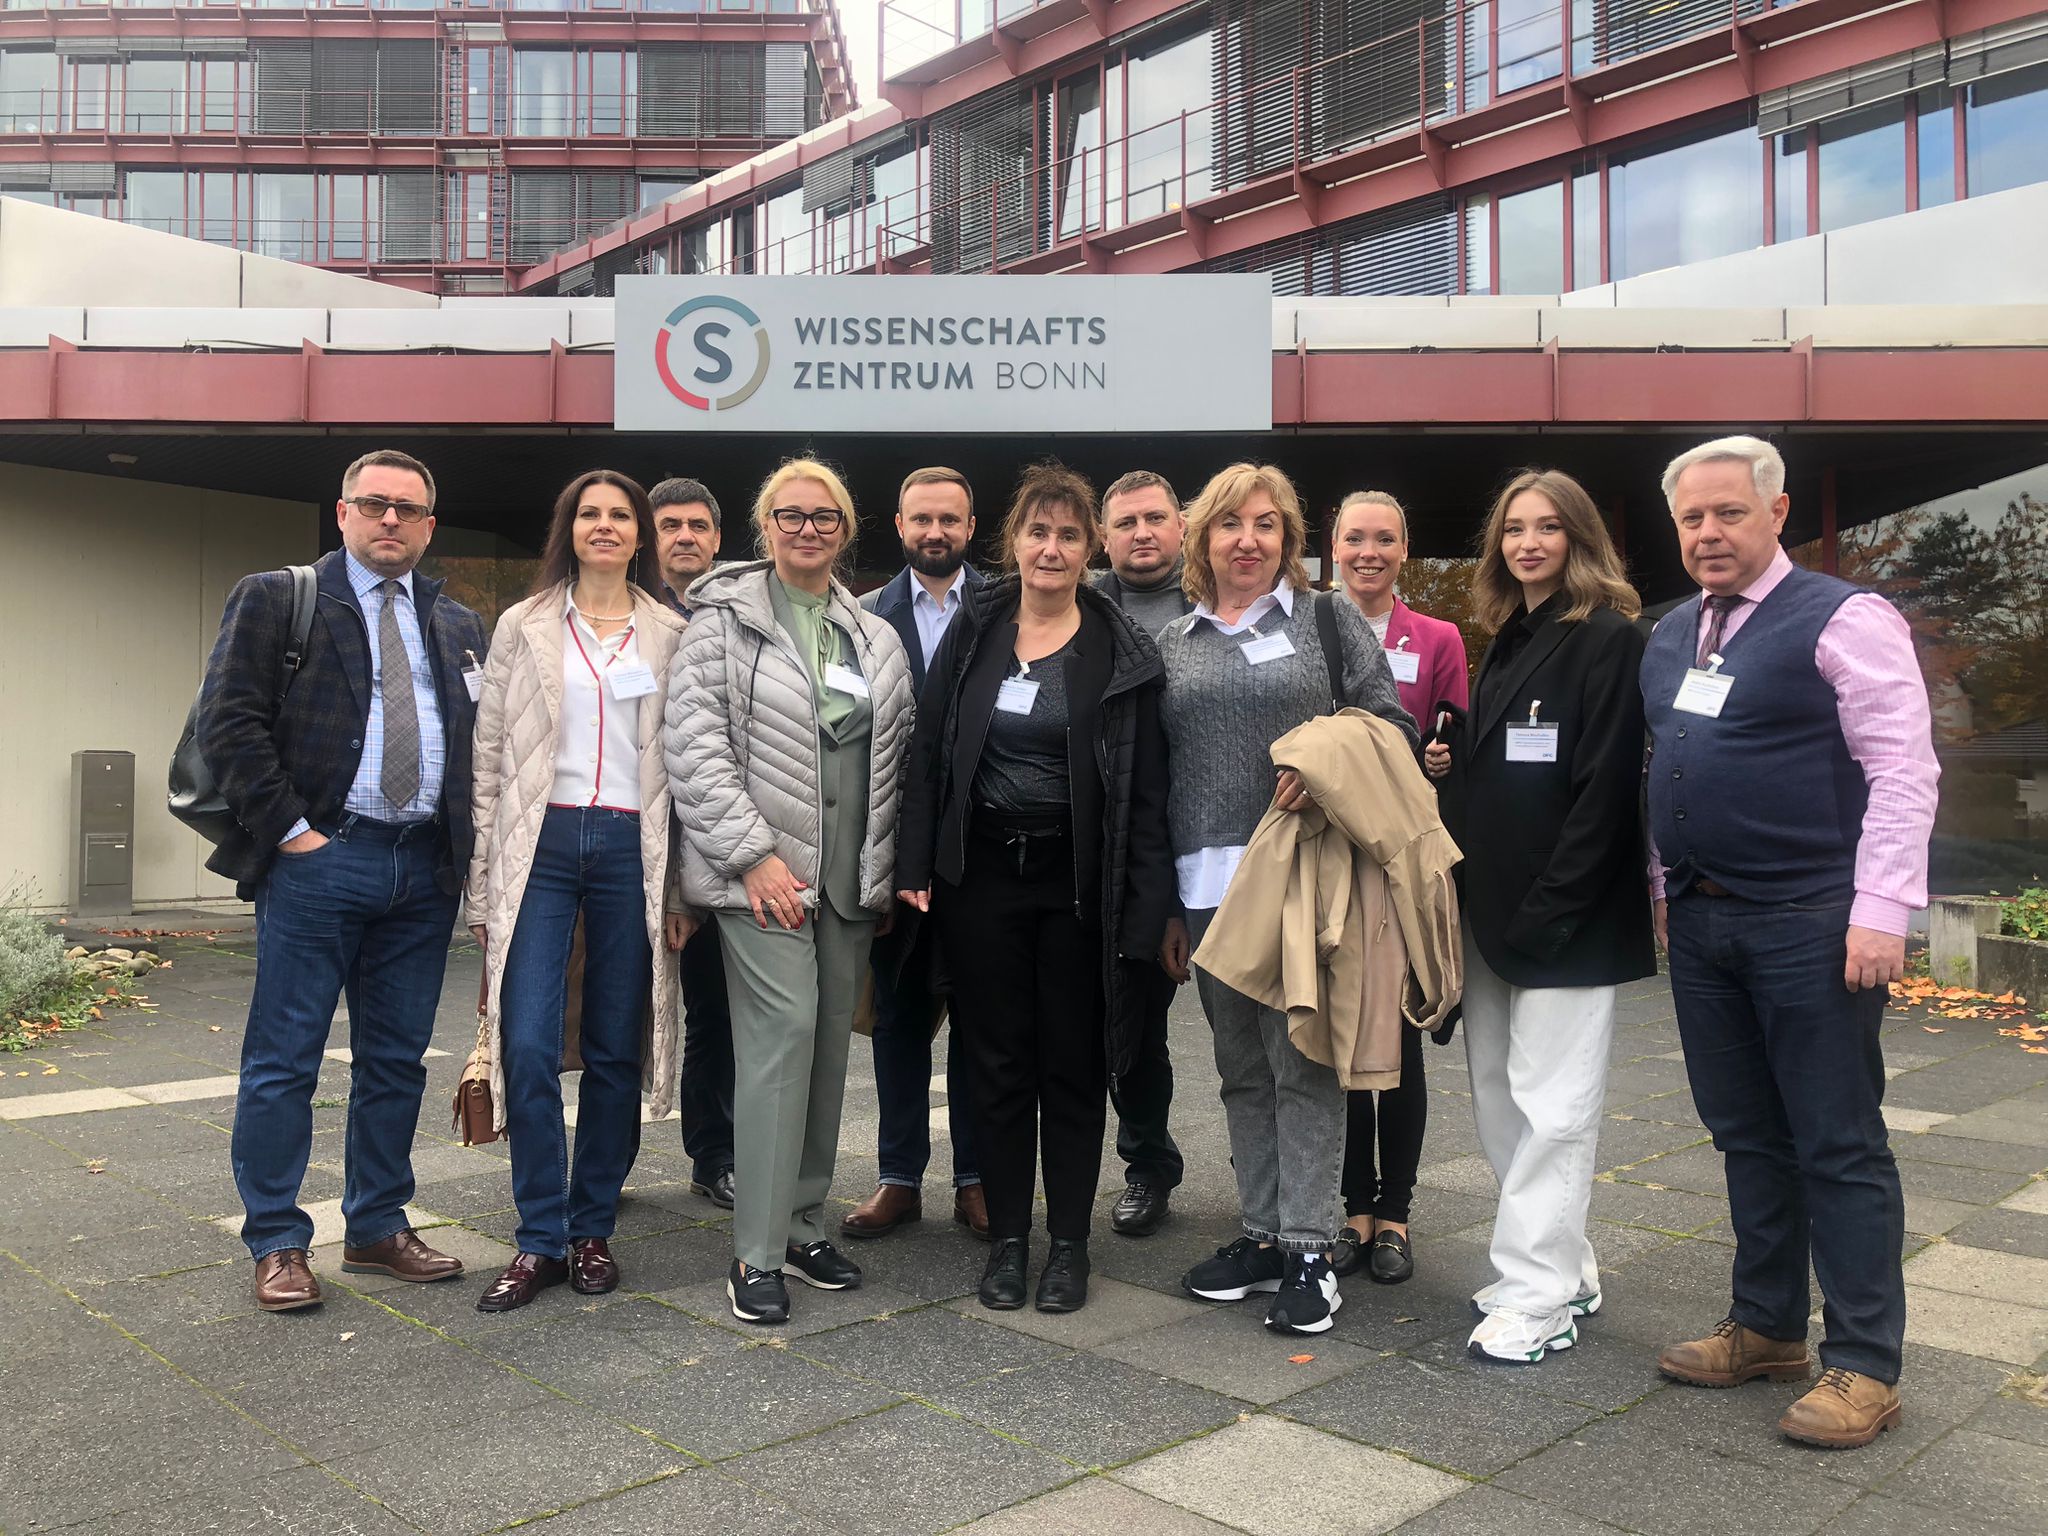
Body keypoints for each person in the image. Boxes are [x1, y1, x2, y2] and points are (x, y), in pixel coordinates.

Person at [1646, 437, 1937, 1450]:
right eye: (1690, 517)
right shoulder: (1670, 633)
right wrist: (1661, 889)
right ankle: (1768, 1325)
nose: (1707, 532)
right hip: (1703, 919)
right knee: (1743, 1134)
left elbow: (1900, 765)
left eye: (1727, 512)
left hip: (1810, 920)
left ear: (1773, 515)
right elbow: (1672, 769)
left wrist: (1881, 907)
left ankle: (1863, 1363)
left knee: (1837, 1142)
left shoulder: (1842, 616)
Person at [196, 449, 485, 1311]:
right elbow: (230, 722)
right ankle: (279, 1240)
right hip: (323, 858)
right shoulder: (278, 597)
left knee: (397, 1060)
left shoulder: (459, 623)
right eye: (375, 504)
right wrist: (293, 834)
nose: (390, 519)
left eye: (408, 509)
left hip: (421, 867)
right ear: (344, 512)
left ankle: (377, 1225)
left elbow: (476, 750)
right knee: (284, 1061)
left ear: (430, 526)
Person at [895, 464, 1175, 1314]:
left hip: (1079, 887)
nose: (1050, 549)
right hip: (981, 884)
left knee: (1074, 1065)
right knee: (997, 1064)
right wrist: (913, 868)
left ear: (1089, 549)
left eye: (1068, 536)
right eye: (1036, 533)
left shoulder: (1119, 647)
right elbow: (929, 755)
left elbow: (1147, 789)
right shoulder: (975, 633)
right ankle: (1011, 1239)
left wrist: (1153, 906)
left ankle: (1070, 1247)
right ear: (1011, 542)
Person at [1158, 462, 1416, 1336]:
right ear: (1203, 539)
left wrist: (1325, 764)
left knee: (1303, 1063)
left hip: (1306, 880)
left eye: (1266, 525)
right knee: (1240, 1072)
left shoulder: (1327, 620)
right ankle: (1263, 1234)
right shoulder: (1174, 642)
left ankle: (1312, 1248)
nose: (1248, 540)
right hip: (1206, 888)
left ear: (1289, 540)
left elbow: (1391, 726)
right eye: (1230, 524)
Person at [666, 459, 916, 1325]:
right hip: (763, 879)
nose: (808, 529)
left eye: (825, 517)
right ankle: (756, 1252)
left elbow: (892, 760)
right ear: (764, 525)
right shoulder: (721, 623)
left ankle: (806, 1222)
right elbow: (694, 750)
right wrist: (750, 857)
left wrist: (883, 874)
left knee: (828, 1054)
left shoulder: (873, 634)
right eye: (791, 515)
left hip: (848, 883)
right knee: (783, 1039)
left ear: (846, 532)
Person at [1428, 468, 1653, 1363]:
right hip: (1492, 913)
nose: (1527, 543)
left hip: (1565, 919)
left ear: (1580, 538)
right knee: (1498, 1105)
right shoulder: (1511, 639)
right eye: (1514, 529)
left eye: (1548, 528)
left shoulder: (1609, 640)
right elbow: (1513, 770)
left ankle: (1538, 1295)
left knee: (1554, 1109)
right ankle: (1569, 1266)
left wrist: (1553, 910)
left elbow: (1603, 793)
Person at [466, 471, 688, 1313]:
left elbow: (688, 762)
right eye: (589, 514)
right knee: (524, 1044)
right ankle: (537, 1239)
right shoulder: (523, 627)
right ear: (570, 527)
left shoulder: (669, 632)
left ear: (641, 535)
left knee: (612, 1048)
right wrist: (485, 886)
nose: (604, 526)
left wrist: (682, 891)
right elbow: (488, 760)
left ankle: (591, 1228)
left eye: (619, 515)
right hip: (543, 844)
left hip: (635, 847)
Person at [1327, 489, 1470, 1287]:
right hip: (1334, 857)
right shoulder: (1310, 625)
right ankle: (1352, 1208)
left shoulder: (1438, 637)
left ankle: (1397, 1214)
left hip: (1406, 861)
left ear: (1404, 550)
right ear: (1333, 546)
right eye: (1355, 538)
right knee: (1343, 1041)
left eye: (1384, 539)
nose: (1369, 552)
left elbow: (1455, 731)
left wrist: (1443, 759)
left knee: (1404, 1038)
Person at [844, 467, 989, 1242]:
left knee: (976, 1022)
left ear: (972, 526)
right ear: (897, 524)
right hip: (892, 853)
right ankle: (899, 1179)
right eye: (922, 519)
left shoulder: (1004, 610)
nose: (936, 532)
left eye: (951, 520)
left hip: (981, 859)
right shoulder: (863, 620)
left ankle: (976, 1180)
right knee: (897, 1022)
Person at [1090, 470, 1192, 1239]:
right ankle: (1148, 1164)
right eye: (1125, 523)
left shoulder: (1220, 601)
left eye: (1155, 518)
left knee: (1257, 1040)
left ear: (1183, 526)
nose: (1142, 533)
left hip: (1226, 847)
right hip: (1123, 857)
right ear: (1104, 535)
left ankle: (1285, 1185)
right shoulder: (1081, 608)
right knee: (1131, 1033)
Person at [649, 476, 736, 1210]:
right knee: (618, 1012)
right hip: (635, 851)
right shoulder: (632, 619)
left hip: (724, 853)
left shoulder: (739, 617)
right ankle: (604, 1157)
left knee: (719, 1014)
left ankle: (716, 1154)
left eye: (697, 526)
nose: (685, 537)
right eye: (671, 525)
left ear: (717, 536)